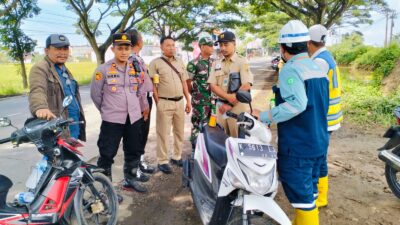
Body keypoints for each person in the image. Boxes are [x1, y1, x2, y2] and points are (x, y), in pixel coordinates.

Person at [252, 20, 329, 225]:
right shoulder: (318, 67)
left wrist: (265, 116)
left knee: (302, 200)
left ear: (283, 48)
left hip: (298, 148)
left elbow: (298, 105)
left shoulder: (290, 69)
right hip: (318, 143)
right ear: (306, 44)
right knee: (309, 195)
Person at [90, 33, 150, 193]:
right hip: (112, 120)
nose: (124, 52)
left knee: (133, 150)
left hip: (134, 118)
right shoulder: (102, 70)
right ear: (113, 49)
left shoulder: (136, 69)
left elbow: (141, 91)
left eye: (127, 48)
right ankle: (107, 189)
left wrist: (144, 107)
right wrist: (108, 110)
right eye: (120, 48)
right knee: (107, 154)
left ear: (131, 49)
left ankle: (130, 180)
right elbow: (96, 96)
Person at [308, 24, 343, 208]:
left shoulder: (320, 62)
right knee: (321, 156)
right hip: (331, 117)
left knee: (318, 157)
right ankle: (321, 195)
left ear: (308, 42)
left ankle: (319, 196)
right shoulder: (326, 57)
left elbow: (314, 93)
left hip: (324, 118)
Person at [29, 34, 86, 141]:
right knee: (56, 157)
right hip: (57, 129)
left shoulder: (64, 69)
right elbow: (37, 89)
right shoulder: (40, 68)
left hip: (73, 124)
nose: (63, 53)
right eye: (58, 49)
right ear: (46, 51)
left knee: (73, 157)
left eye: (65, 49)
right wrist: (40, 107)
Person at [148, 36, 191, 174]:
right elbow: (153, 85)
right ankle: (163, 161)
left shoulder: (179, 62)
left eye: (173, 45)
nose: (171, 47)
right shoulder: (155, 63)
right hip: (164, 102)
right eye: (168, 45)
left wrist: (188, 100)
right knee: (163, 133)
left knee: (179, 131)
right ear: (161, 47)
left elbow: (184, 82)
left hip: (179, 102)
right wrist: (158, 102)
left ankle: (177, 156)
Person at [207, 31, 253, 138]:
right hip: (220, 108)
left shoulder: (242, 61)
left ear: (234, 44)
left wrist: (230, 104)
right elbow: (212, 85)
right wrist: (228, 98)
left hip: (236, 108)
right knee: (220, 139)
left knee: (237, 139)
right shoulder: (216, 63)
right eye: (221, 45)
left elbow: (246, 86)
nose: (223, 48)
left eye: (226, 44)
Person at [126, 29, 155, 174]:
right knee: (138, 135)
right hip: (139, 102)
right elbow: (138, 85)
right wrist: (144, 105)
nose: (143, 40)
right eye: (142, 37)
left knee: (142, 133)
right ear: (138, 41)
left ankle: (140, 163)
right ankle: (135, 168)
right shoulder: (133, 59)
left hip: (143, 100)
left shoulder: (136, 57)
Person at [186, 36, 215, 148]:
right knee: (198, 125)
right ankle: (195, 148)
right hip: (200, 101)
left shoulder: (215, 62)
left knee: (212, 124)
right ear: (202, 47)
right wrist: (194, 95)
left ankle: (209, 148)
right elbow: (188, 82)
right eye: (209, 45)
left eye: (213, 45)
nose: (212, 47)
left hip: (213, 101)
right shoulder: (193, 64)